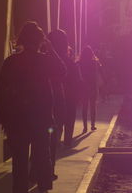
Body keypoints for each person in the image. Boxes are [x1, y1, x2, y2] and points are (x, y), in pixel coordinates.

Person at [0, 21, 66, 193]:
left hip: (16, 120)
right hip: (41, 119)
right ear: (40, 41)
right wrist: (50, 48)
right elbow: (62, 70)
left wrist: (3, 119)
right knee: (42, 158)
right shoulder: (45, 61)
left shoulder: (10, 62)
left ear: (21, 40)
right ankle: (43, 188)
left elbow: (1, 92)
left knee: (19, 164)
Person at [47, 29, 81, 179]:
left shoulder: (43, 59)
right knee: (53, 138)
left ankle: (36, 167)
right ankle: (48, 169)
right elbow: (77, 82)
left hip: (42, 105)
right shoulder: (68, 63)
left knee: (41, 139)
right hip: (61, 104)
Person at [79, 45, 103, 133]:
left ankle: (85, 127)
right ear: (91, 53)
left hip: (83, 86)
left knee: (84, 107)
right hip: (93, 86)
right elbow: (100, 71)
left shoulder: (80, 62)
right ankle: (92, 125)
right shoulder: (94, 63)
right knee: (93, 106)